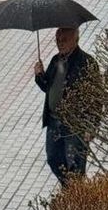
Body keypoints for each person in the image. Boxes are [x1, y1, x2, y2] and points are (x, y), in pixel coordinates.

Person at [33, 27, 102, 184]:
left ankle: (76, 195)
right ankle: (70, 190)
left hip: (75, 125)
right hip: (54, 122)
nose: (60, 43)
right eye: (57, 40)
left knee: (75, 164)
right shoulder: (56, 60)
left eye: (64, 40)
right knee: (53, 158)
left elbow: (97, 99)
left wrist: (91, 126)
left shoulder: (86, 63)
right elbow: (48, 88)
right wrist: (39, 75)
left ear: (75, 39)